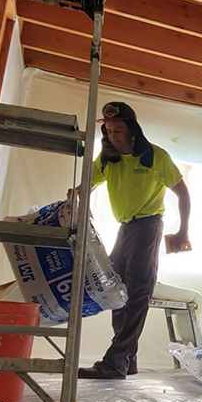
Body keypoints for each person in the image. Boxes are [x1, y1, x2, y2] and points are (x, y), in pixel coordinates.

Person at [78, 102, 191, 380]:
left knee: (138, 294)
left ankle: (115, 362)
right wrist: (75, 196)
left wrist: (182, 231)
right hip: (124, 230)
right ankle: (127, 360)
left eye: (118, 130)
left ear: (132, 131)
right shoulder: (108, 158)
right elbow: (85, 185)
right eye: (108, 131)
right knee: (116, 293)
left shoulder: (155, 157)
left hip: (148, 227)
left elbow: (183, 194)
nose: (113, 135)